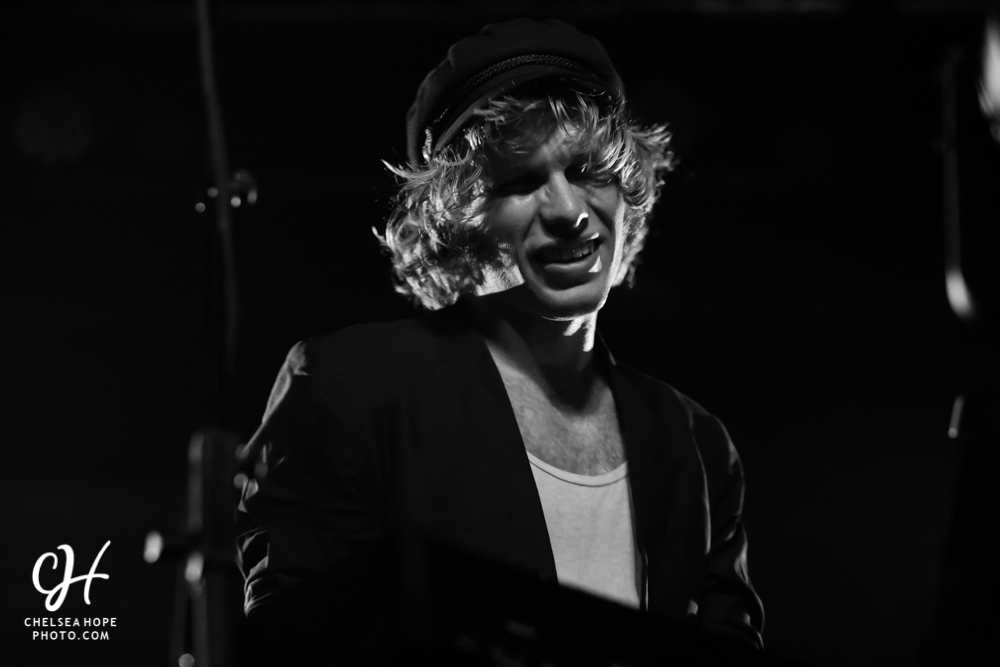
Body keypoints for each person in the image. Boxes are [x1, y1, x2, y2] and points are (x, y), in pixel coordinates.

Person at [236, 17, 764, 663]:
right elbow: (294, 645)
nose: (569, 211)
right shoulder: (351, 387)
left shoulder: (696, 444)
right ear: (457, 221)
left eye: (589, 170)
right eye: (520, 182)